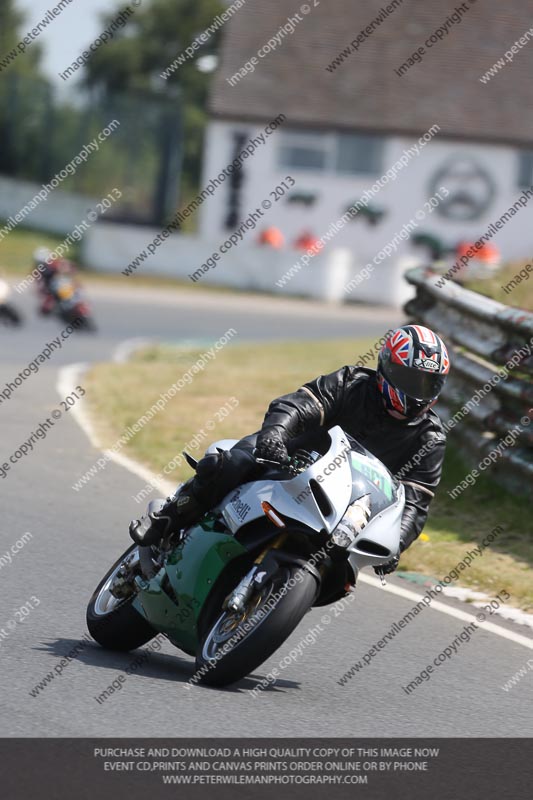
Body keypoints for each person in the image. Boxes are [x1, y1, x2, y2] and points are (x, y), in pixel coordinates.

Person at [130, 325, 450, 575]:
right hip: (291, 459)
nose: (417, 391)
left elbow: (415, 502)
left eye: (428, 383)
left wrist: (396, 542)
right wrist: (275, 435)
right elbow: (298, 405)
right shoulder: (351, 383)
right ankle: (166, 520)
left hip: (346, 508)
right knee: (232, 463)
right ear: (387, 368)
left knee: (342, 572)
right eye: (411, 379)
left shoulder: (430, 438)